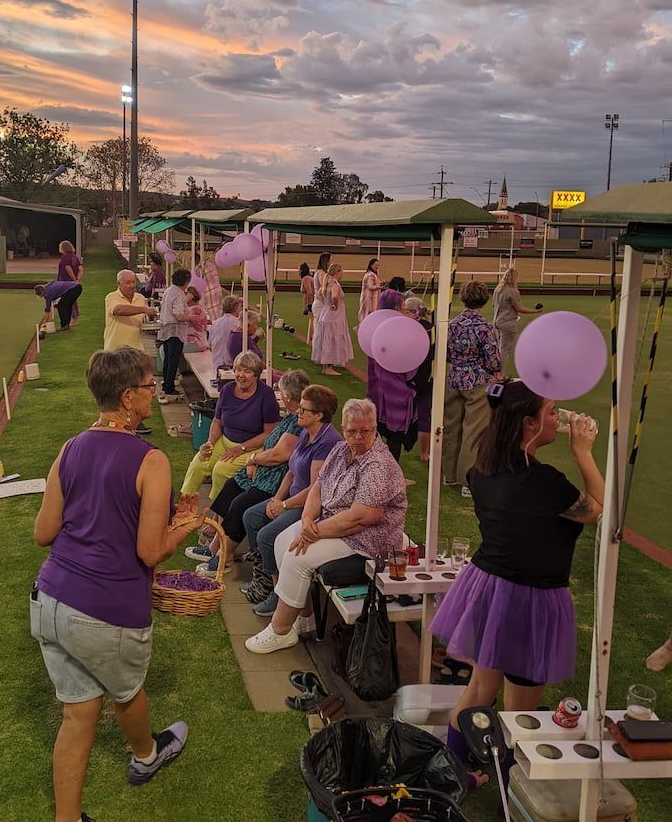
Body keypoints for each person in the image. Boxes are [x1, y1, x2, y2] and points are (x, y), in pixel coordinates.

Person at [30, 347, 206, 822]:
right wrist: (185, 527)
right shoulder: (150, 460)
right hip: (106, 609)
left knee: (78, 712)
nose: (154, 393)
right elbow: (151, 551)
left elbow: (43, 532)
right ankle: (147, 755)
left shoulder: (69, 448)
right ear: (128, 397)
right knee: (127, 690)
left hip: (49, 600)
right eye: (149, 387)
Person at [430, 378, 603, 786]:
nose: (557, 419)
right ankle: (510, 787)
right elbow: (596, 509)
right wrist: (583, 452)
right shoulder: (544, 482)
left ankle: (451, 773)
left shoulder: (482, 470)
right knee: (519, 710)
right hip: (531, 598)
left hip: (488, 588)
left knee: (477, 691)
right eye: (551, 413)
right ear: (528, 423)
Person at [245, 398, 408, 653]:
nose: (358, 437)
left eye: (365, 431)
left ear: (375, 430)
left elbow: (361, 518)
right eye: (352, 431)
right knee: (280, 541)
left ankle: (280, 630)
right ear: (343, 429)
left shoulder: (379, 465)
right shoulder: (340, 450)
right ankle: (304, 617)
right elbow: (318, 488)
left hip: (366, 540)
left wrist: (313, 532)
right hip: (329, 524)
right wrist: (308, 519)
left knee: (297, 557)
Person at [188, 370, 310, 577]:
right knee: (230, 487)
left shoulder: (299, 422)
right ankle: (214, 548)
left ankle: (225, 556)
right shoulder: (291, 416)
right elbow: (271, 443)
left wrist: (253, 459)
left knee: (240, 503)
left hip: (274, 479)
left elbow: (281, 454)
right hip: (263, 471)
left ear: (288, 397)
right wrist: (255, 460)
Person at [241, 384, 342, 610]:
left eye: (304, 410)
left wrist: (285, 505)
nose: (298, 412)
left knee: (267, 536)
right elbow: (291, 470)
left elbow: (317, 489)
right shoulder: (306, 432)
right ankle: (267, 576)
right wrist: (276, 500)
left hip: (308, 507)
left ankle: (280, 595)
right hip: (289, 499)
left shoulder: (327, 443)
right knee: (251, 516)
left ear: (319, 415)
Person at [179, 350, 280, 500]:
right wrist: (210, 443)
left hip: (251, 447)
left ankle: (218, 515)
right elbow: (217, 421)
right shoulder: (227, 390)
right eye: (238, 370)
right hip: (224, 441)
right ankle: (182, 507)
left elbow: (269, 433)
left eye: (247, 371)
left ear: (256, 374)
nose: (241, 375)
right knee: (198, 464)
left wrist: (241, 448)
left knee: (220, 470)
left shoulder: (266, 395)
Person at [442, 281, 501, 495]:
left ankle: (449, 475)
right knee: (473, 431)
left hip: (454, 378)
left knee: (451, 428)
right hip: (476, 380)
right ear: (484, 300)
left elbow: (446, 353)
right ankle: (468, 479)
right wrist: (497, 373)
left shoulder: (453, 324)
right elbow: (493, 358)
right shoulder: (485, 327)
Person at [366, 290, 417, 461]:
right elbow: (409, 368)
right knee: (394, 436)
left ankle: (377, 470)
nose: (404, 311)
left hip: (376, 390)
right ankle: (392, 475)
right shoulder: (398, 332)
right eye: (402, 307)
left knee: (377, 432)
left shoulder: (373, 328)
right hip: (396, 392)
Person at [492, 267, 542, 364]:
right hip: (508, 323)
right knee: (504, 350)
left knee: (498, 348)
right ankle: (500, 375)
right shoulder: (512, 291)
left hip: (497, 322)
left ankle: (494, 373)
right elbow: (519, 309)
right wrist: (535, 311)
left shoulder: (497, 289)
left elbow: (493, 304)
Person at [405, 297, 434, 463]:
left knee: (414, 413)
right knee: (424, 415)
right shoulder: (432, 329)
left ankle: (421, 451)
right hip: (428, 376)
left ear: (412, 312)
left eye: (406, 311)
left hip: (414, 376)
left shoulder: (411, 328)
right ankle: (424, 453)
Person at [157, 268, 192, 406]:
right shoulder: (179, 294)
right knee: (173, 360)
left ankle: (167, 384)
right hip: (175, 330)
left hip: (165, 328)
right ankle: (169, 389)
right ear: (186, 281)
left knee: (168, 359)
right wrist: (191, 317)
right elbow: (179, 315)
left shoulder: (169, 290)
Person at [312, 263, 354, 377]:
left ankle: (326, 366)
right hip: (334, 316)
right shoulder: (335, 284)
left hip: (326, 314)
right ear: (337, 272)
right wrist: (334, 305)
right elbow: (335, 297)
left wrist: (327, 303)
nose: (343, 273)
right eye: (341, 271)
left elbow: (320, 295)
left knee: (326, 340)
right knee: (332, 339)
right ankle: (329, 367)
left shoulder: (327, 284)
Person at [103, 270, 156, 352]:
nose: (132, 286)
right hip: (115, 351)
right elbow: (119, 310)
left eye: (133, 282)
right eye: (127, 283)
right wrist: (144, 309)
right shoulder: (111, 297)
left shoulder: (140, 298)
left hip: (136, 350)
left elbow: (146, 319)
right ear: (118, 284)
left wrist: (151, 315)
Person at [210, 295, 242, 373]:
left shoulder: (215, 323)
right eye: (240, 307)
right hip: (232, 364)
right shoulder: (239, 324)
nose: (241, 309)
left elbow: (210, 344)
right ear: (235, 308)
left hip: (217, 362)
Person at [310, 252, 332, 362]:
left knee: (319, 330)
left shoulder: (319, 272)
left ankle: (319, 355)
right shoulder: (322, 273)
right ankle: (319, 356)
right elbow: (322, 291)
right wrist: (328, 304)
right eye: (330, 260)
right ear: (326, 261)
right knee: (320, 331)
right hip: (320, 304)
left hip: (318, 303)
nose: (331, 262)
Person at [57, 240, 83, 324]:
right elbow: (80, 269)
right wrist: (77, 279)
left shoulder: (65, 257)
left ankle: (73, 319)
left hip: (65, 282)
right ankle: (75, 318)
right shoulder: (75, 257)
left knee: (67, 300)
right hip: (72, 282)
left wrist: (74, 280)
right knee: (73, 300)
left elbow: (68, 269)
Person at [197, 256, 223, 321]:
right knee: (217, 314)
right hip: (215, 293)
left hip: (208, 295)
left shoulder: (199, 269)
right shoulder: (211, 265)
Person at [185, 286, 208, 352]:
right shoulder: (198, 308)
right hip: (194, 341)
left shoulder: (196, 310)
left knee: (165, 350)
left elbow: (180, 315)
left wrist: (185, 301)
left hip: (196, 343)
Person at [299, 263, 315, 343]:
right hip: (312, 301)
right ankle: (314, 336)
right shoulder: (307, 278)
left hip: (312, 302)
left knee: (312, 319)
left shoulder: (306, 278)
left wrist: (308, 305)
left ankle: (313, 337)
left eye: (299, 269)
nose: (298, 271)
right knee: (313, 319)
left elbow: (309, 292)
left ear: (302, 270)